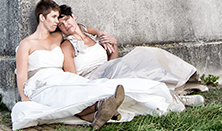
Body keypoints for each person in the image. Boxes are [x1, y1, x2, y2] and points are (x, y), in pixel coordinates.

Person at [11, 0, 184, 131]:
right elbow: (21, 74)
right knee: (62, 95)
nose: (58, 22)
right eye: (54, 17)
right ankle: (102, 109)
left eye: (59, 17)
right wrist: (25, 98)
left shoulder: (57, 37)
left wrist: (100, 33)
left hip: (63, 77)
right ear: (42, 18)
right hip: (41, 82)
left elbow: (78, 28)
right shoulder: (27, 44)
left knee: (87, 87)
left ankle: (98, 112)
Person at [56, 5, 208, 101]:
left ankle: (180, 83)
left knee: (144, 55)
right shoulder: (67, 46)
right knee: (135, 73)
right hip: (94, 79)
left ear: (73, 17)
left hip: (110, 68)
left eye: (67, 19)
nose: (66, 25)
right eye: (61, 24)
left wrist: (113, 43)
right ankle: (176, 98)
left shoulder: (89, 34)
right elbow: (73, 79)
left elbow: (110, 60)